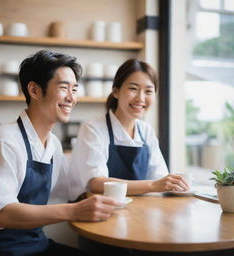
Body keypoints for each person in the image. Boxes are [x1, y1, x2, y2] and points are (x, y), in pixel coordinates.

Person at [0, 50, 121, 256]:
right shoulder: (5, 139)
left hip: (36, 243)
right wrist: (74, 211)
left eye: (74, 89)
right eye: (63, 88)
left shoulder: (53, 143)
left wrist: (111, 202)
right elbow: (3, 213)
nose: (71, 98)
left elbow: (69, 192)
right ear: (34, 91)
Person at [69, 58, 189, 198]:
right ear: (116, 91)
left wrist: (174, 184)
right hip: (94, 211)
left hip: (137, 210)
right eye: (133, 88)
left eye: (148, 91)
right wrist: (153, 185)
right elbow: (96, 183)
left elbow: (160, 178)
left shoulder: (146, 131)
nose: (140, 98)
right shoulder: (93, 129)